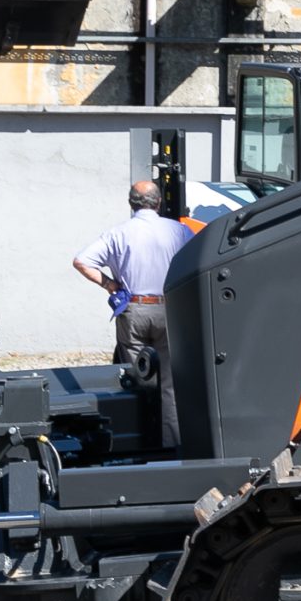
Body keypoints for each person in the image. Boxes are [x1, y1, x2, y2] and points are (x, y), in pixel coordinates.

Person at [72, 180, 193, 446]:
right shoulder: (180, 231)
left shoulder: (118, 233)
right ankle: (171, 445)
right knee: (169, 386)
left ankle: (141, 442)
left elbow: (81, 261)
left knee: (141, 379)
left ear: (131, 204)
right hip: (168, 308)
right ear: (159, 202)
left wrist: (108, 284)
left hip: (134, 309)